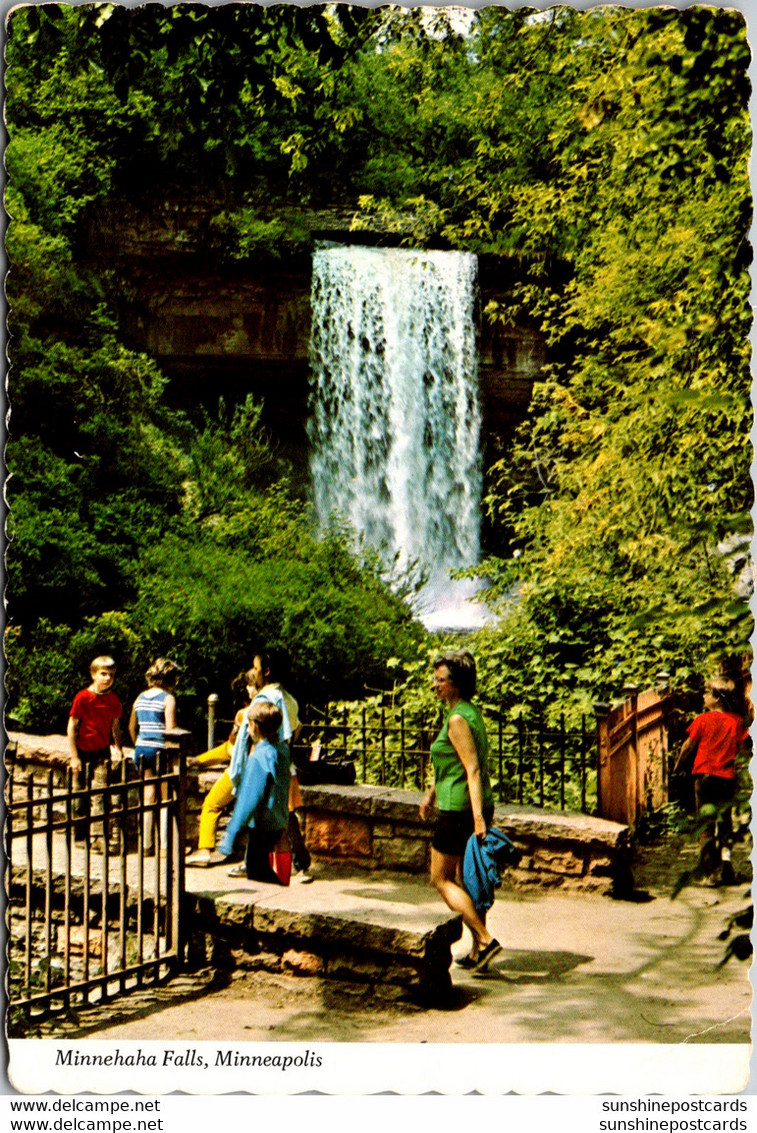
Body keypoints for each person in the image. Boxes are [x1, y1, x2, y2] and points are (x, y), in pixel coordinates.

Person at [187, 651, 310, 878]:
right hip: (283, 765)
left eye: (255, 668)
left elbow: (235, 745)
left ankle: (221, 852)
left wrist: (236, 773)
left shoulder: (257, 705)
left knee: (251, 815)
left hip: (257, 767)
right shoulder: (289, 699)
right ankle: (294, 866)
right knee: (281, 818)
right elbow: (295, 730)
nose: (252, 674)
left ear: (266, 671)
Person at [420, 649, 501, 972]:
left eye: (440, 680)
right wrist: (430, 795)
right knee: (469, 881)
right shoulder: (468, 711)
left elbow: (473, 769)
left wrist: (478, 819)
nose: (434, 685)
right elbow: (450, 764)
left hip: (459, 810)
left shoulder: (456, 719)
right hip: (465, 805)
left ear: (456, 684)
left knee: (440, 878)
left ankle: (484, 939)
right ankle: (476, 952)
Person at [674, 684, 749, 885]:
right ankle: (726, 867)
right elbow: (743, 750)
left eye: (707, 693)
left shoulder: (702, 720)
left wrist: (678, 766)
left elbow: (688, 746)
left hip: (705, 778)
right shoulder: (736, 722)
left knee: (706, 826)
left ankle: (710, 873)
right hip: (726, 779)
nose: (704, 696)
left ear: (717, 698)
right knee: (724, 823)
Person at [215, 699, 291, 882]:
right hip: (278, 820)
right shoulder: (282, 750)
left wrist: (230, 835)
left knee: (257, 872)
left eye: (248, 725)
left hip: (262, 824)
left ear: (255, 727)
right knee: (261, 869)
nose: (247, 730)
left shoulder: (258, 757)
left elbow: (249, 798)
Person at [67, 655, 125, 853]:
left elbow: (115, 725)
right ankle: (80, 836)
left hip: (101, 752)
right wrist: (74, 756)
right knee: (80, 796)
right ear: (93, 675)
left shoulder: (112, 699)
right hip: (83, 751)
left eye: (111, 675)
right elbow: (72, 725)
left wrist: (118, 747)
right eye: (103, 674)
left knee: (100, 795)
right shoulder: (83, 697)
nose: (107, 678)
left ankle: (98, 837)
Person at [128, 657, 180, 855]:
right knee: (165, 798)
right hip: (160, 749)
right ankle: (165, 846)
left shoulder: (140, 697)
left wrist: (138, 743)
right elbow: (171, 730)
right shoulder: (168, 699)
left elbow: (131, 727)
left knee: (148, 796)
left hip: (142, 748)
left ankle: (146, 845)